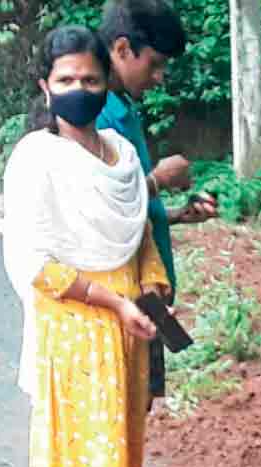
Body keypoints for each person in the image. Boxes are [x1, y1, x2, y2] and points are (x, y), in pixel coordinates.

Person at [3, 25, 170, 467]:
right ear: (45, 87)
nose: (79, 91)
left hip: (129, 331)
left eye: (91, 81)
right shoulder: (36, 160)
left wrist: (155, 296)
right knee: (79, 466)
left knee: (121, 459)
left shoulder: (123, 157)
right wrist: (111, 301)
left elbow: (141, 238)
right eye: (67, 81)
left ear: (105, 85)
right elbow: (36, 265)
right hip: (74, 332)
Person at [96, 0, 217, 408]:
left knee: (138, 411)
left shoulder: (124, 109)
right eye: (155, 64)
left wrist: (176, 214)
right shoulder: (94, 117)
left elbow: (134, 209)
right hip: (119, 294)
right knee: (118, 413)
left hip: (146, 290)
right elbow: (99, 205)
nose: (160, 77)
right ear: (123, 49)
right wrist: (158, 180)